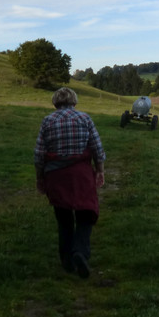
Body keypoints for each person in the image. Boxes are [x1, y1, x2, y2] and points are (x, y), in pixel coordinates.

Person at [34, 87, 106, 278]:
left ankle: (67, 261)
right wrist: (100, 170)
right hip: (80, 175)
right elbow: (96, 147)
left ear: (55, 102)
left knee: (64, 218)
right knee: (86, 214)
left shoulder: (48, 121)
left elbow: (39, 154)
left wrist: (40, 177)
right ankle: (80, 252)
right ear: (74, 101)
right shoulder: (84, 118)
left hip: (56, 176)